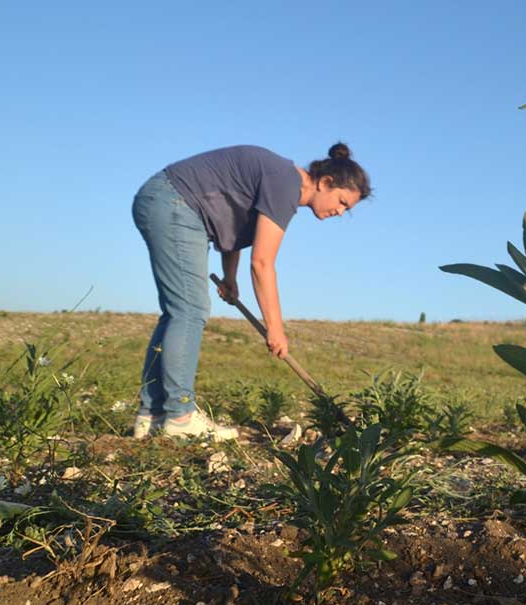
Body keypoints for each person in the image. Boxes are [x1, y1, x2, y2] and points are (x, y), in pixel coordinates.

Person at [130, 143, 370, 440]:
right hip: (175, 202)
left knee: (177, 312)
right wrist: (275, 328)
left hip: (168, 201)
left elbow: (232, 230)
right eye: (343, 202)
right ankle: (180, 417)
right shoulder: (285, 183)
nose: (340, 212)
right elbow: (262, 263)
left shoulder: (280, 182)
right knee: (189, 310)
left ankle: (152, 415)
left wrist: (230, 278)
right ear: (326, 182)